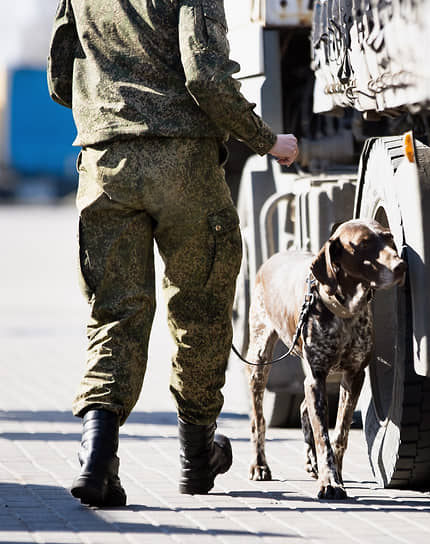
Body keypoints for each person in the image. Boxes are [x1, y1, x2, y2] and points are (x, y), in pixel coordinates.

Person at [47, 0, 298, 507]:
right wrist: (267, 140)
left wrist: (109, 105)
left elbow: (58, 75)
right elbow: (205, 75)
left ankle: (97, 460)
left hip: (105, 163)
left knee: (114, 313)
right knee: (201, 309)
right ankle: (196, 456)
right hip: (185, 164)